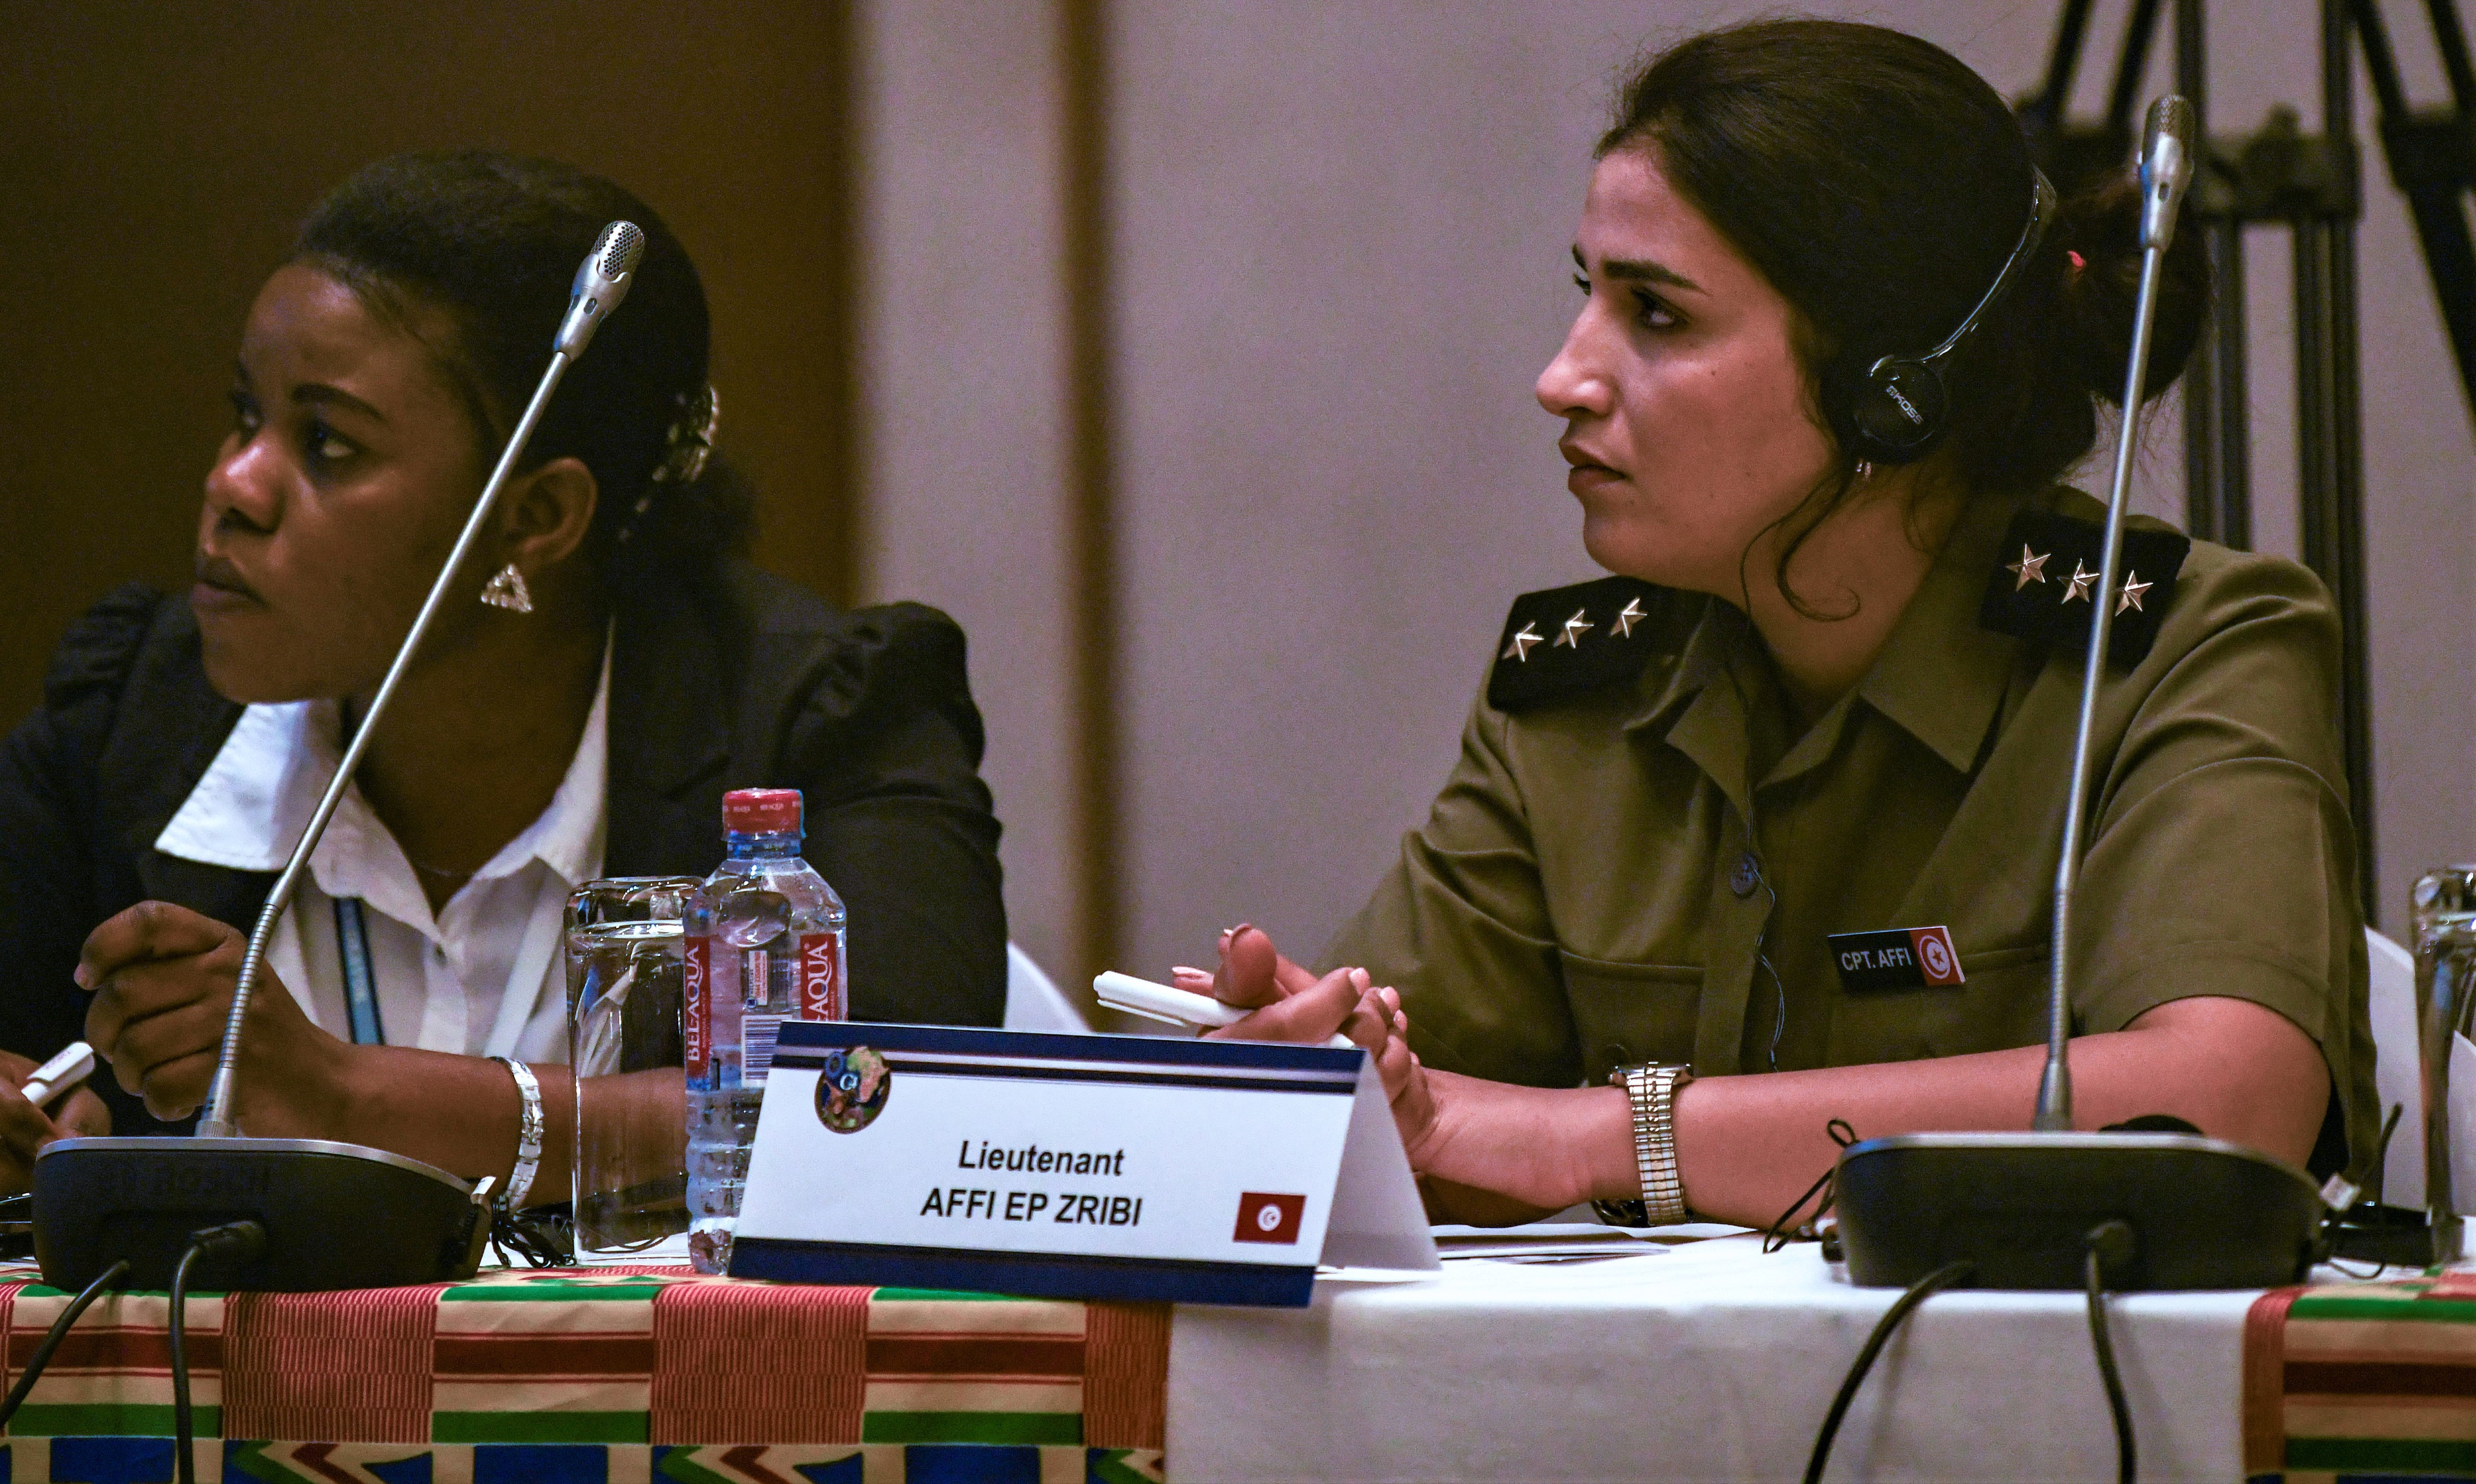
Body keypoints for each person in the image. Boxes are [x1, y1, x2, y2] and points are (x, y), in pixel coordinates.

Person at [1186, 20, 2378, 1230]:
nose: (1563, 377)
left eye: (1658, 315)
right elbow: (1424, 1133)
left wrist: (1597, 1136)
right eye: (1590, 295)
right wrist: (1325, 1082)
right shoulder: (1580, 695)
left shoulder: (2183, 648)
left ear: (1890, 390)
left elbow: (2227, 1108)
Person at [0, 152, 1008, 1198]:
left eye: (328, 444)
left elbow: (893, 1103)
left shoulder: (817, 717)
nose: (232, 485)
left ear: (534, 518)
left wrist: (350, 1098)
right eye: (248, 417)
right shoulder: (132, 716)